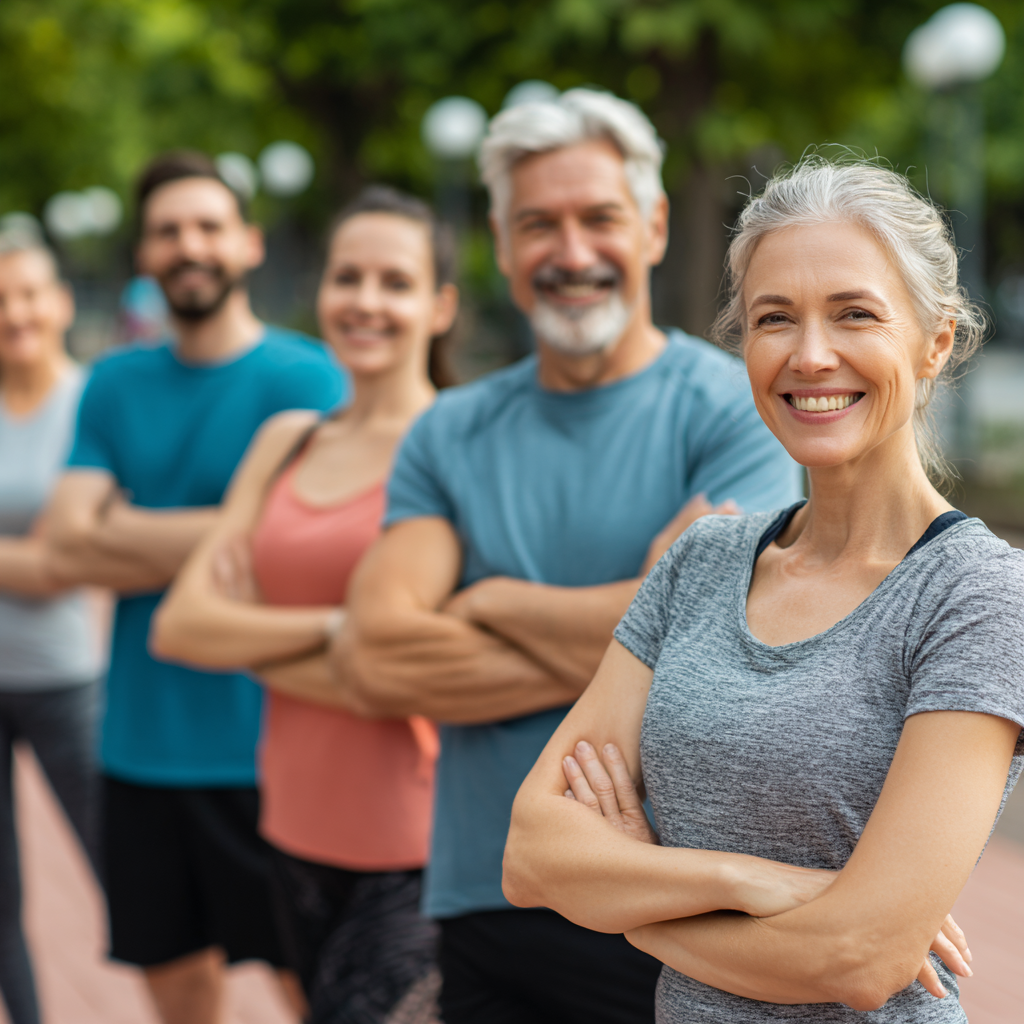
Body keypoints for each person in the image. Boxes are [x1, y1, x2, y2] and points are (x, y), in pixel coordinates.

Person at [503, 156, 1024, 1023]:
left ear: (935, 341)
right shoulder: (703, 560)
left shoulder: (977, 595)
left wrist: (630, 903)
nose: (810, 355)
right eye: (773, 318)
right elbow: (531, 853)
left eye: (855, 313)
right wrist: (743, 880)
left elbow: (862, 960)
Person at [332, 89, 801, 1024]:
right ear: (501, 246)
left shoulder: (736, 408)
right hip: (485, 895)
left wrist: (490, 596)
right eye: (538, 224)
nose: (572, 253)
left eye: (600, 218)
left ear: (655, 225)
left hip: (669, 904)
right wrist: (645, 630)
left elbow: (716, 656)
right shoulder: (449, 431)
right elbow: (376, 656)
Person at [45, 151, 347, 1024]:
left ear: (248, 242)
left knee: (314, 994)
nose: (190, 246)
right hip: (138, 753)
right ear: (142, 254)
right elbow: (68, 543)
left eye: (209, 225)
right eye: (169, 230)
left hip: (272, 750)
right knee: (179, 1002)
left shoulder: (307, 379)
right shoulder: (112, 382)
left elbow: (296, 547)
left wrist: (126, 535)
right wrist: (235, 526)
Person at [150, 185, 458, 1024]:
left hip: (415, 844)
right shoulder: (287, 438)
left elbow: (413, 667)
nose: (365, 301)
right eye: (346, 277)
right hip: (290, 824)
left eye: (394, 282)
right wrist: (337, 628)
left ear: (440, 305)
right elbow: (180, 625)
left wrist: (246, 635)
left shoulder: (458, 448)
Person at [0, 235, 106, 1024]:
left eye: (29, 293)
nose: (15, 313)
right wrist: (37, 556)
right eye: (0, 299)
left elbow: (80, 556)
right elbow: (52, 554)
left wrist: (53, 558)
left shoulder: (93, 404)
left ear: (60, 301)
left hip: (70, 678)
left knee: (123, 874)